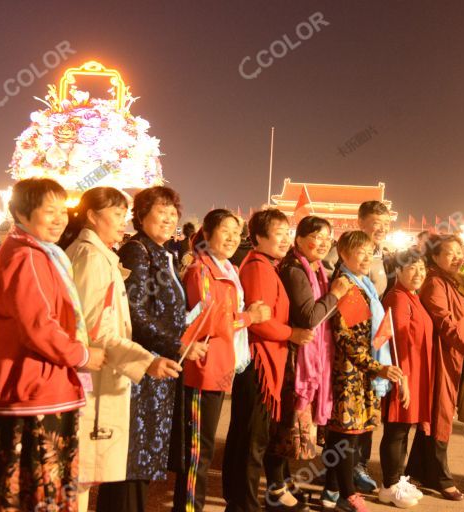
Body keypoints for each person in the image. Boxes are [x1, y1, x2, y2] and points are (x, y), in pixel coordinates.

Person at [0, 178, 105, 511]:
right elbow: (39, 327)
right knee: (37, 496)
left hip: (23, 391)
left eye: (63, 210)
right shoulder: (28, 256)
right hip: (33, 393)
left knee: (10, 493)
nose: (60, 218)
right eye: (50, 211)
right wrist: (83, 354)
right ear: (21, 212)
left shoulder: (28, 251)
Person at [62, 187, 184, 511]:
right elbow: (96, 330)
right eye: (117, 214)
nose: (122, 221)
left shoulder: (103, 254)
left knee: (87, 476)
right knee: (84, 475)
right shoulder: (94, 257)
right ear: (92, 215)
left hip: (112, 368)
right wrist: (149, 360)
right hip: (100, 374)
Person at [96, 186, 192, 512]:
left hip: (160, 367)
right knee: (132, 459)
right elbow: (133, 313)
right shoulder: (138, 251)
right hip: (144, 368)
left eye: (172, 212)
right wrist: (175, 343)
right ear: (141, 215)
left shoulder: (164, 252)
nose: (168, 218)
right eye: (160, 211)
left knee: (144, 458)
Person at [175, 209, 270, 512]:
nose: (232, 238)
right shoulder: (201, 270)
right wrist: (249, 317)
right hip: (202, 368)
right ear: (206, 233)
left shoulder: (227, 267)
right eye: (225, 230)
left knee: (202, 448)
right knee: (197, 451)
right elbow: (205, 319)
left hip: (219, 364)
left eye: (236, 232)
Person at [223, 209, 314, 512]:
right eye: (279, 233)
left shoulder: (265, 264)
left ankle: (239, 502)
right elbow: (260, 321)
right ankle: (244, 504)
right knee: (251, 442)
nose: (285, 239)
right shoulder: (259, 267)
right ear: (258, 237)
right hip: (259, 364)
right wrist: (292, 333)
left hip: (264, 362)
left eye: (287, 233)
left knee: (247, 439)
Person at [266, 216, 352, 509]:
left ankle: (285, 481)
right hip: (295, 359)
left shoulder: (315, 268)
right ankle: (275, 489)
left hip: (308, 355)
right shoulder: (295, 270)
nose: (324, 242)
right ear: (299, 239)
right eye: (317, 236)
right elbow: (309, 317)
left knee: (292, 425)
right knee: (286, 423)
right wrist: (336, 295)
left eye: (328, 238)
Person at [405, 234, 464, 500]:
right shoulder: (435, 283)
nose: (458, 257)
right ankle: (440, 475)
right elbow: (445, 323)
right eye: (450, 253)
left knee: (437, 412)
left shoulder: (454, 280)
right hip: (440, 357)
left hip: (454, 356)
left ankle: (416, 470)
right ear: (434, 257)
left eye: (460, 251)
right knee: (440, 413)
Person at [326, 231, 403, 512]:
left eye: (370, 252)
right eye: (360, 252)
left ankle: (332, 492)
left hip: (359, 374)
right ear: (344, 254)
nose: (366, 257)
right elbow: (347, 340)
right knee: (347, 436)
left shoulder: (364, 285)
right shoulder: (348, 287)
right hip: (350, 375)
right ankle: (347, 494)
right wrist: (378, 368)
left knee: (343, 436)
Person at [378, 250, 432, 508]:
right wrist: (404, 382)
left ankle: (398, 478)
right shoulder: (398, 298)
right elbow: (398, 342)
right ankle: (389, 485)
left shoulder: (412, 296)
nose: (419, 273)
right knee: (396, 430)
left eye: (422, 268)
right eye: (412, 268)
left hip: (414, 373)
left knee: (403, 430)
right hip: (404, 374)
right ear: (397, 271)